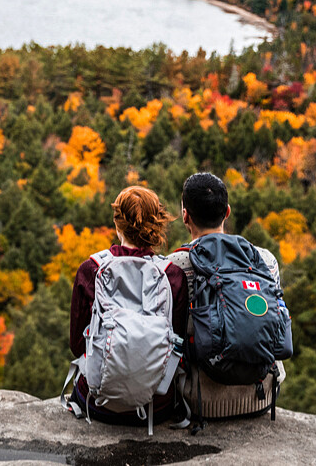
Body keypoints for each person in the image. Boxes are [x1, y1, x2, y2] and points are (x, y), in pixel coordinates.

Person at [169, 172, 285, 422]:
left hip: (200, 401)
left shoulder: (173, 266)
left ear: (185, 215)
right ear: (228, 212)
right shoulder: (265, 261)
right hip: (261, 397)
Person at [67, 185, 187, 425]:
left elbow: (77, 344)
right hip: (156, 404)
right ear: (156, 224)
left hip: (97, 403)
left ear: (117, 223)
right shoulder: (172, 275)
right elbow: (177, 345)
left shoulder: (91, 269)